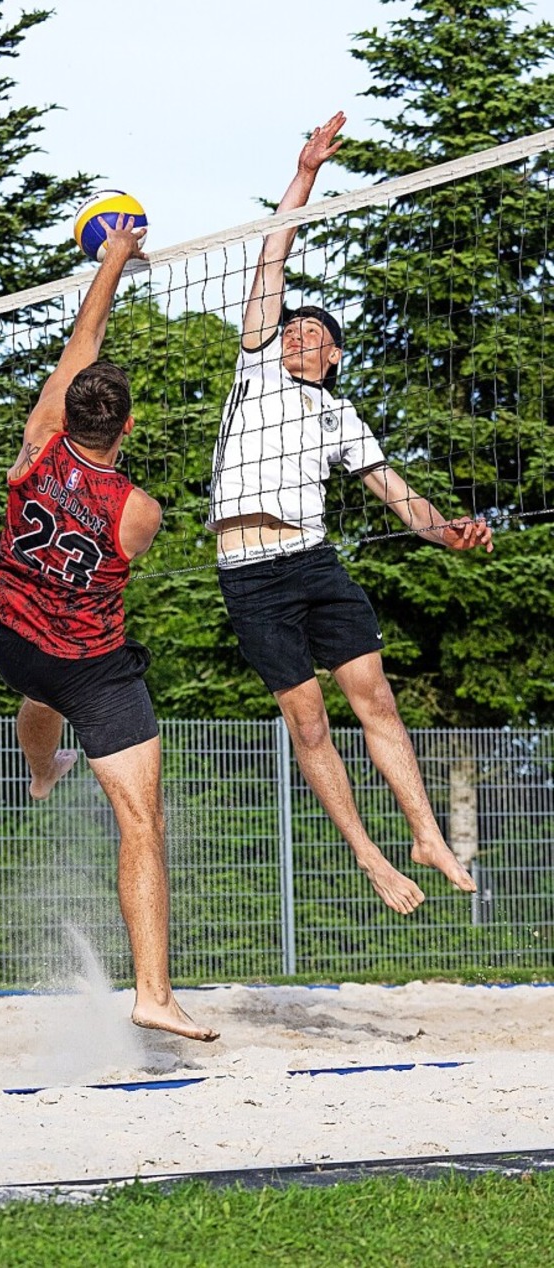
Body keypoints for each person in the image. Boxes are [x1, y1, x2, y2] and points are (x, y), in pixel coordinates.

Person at [208, 112, 494, 917]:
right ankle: (368, 856)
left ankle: (427, 834)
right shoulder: (258, 366)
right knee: (308, 726)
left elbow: (399, 496)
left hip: (313, 559)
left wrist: (450, 533)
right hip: (249, 572)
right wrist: (305, 172)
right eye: (292, 326)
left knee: (376, 700)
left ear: (332, 355)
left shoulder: (342, 416)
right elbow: (275, 251)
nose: (297, 332)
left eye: (313, 331)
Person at [0, 214, 217, 1041]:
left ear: (64, 415)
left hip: (18, 647)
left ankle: (43, 772)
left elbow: (82, 343)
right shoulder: (140, 512)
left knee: (35, 689)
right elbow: (88, 373)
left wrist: (112, 258)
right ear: (126, 427)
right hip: (93, 668)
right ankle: (153, 993)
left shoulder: (37, 449)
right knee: (141, 823)